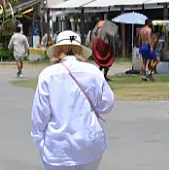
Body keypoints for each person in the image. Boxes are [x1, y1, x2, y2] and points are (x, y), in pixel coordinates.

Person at [31, 30, 115, 170]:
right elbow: (107, 103)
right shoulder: (93, 72)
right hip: (89, 142)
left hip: (58, 147)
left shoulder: (48, 75)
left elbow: (40, 114)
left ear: (57, 50)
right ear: (80, 49)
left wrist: (39, 140)